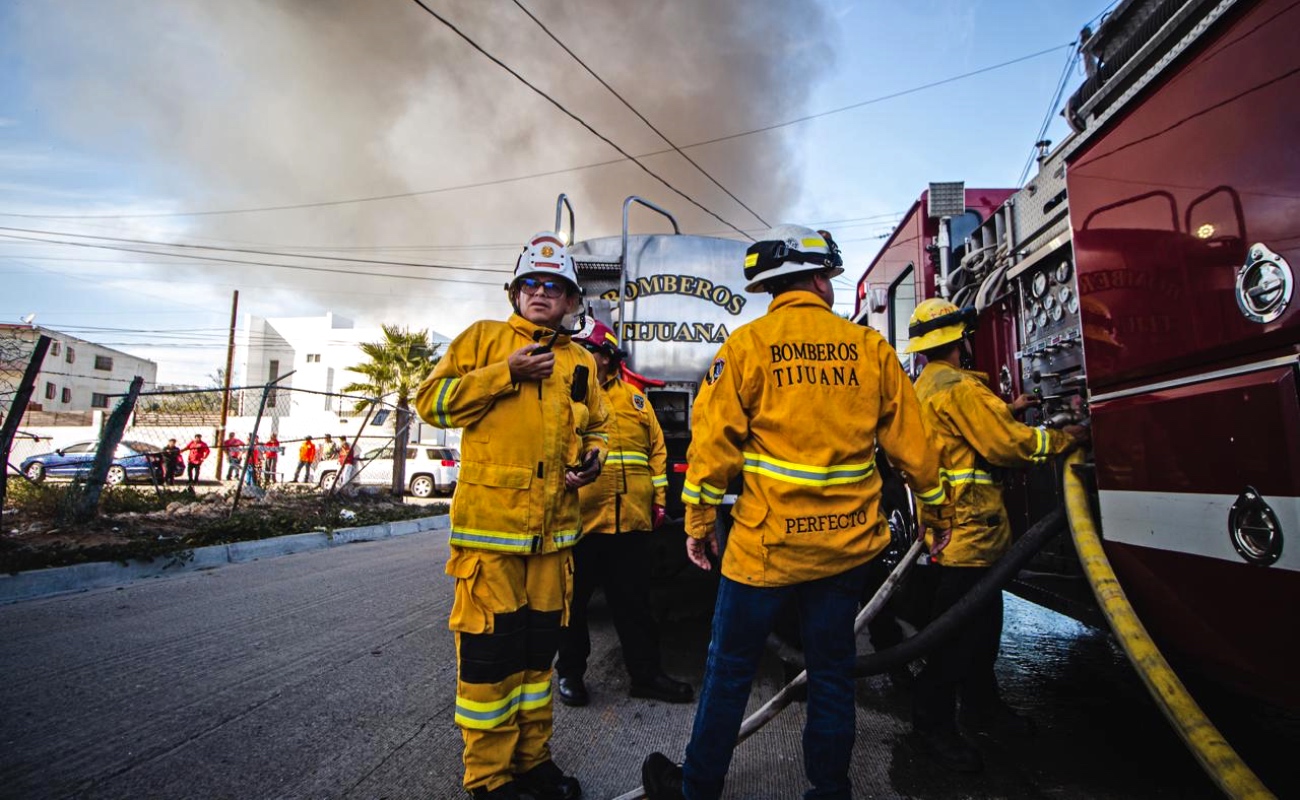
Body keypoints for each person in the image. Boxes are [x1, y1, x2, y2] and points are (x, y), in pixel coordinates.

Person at [642, 226, 948, 800]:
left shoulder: (746, 348)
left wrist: (699, 523)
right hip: (845, 552)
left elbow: (713, 448)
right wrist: (937, 510)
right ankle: (829, 790)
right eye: (829, 276)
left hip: (763, 551)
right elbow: (916, 448)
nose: (831, 285)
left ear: (770, 286)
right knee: (832, 674)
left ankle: (698, 786)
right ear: (816, 278)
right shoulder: (869, 349)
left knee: (729, 670)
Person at [414, 231, 609, 800]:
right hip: (491, 541)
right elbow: (431, 402)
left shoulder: (579, 362)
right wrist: (505, 373)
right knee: (490, 665)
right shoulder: (483, 340)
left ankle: (532, 762)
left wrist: (590, 459)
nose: (541, 293)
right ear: (514, 293)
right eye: (531, 284)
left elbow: (594, 424)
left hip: (552, 544)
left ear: (572, 301)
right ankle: (490, 778)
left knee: (534, 664)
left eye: (554, 286)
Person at [902, 297, 1088, 774]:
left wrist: (1007, 408)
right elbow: (1006, 446)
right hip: (970, 530)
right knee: (956, 637)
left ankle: (984, 708)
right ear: (961, 339)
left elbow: (961, 437)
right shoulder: (962, 388)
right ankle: (934, 726)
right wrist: (1068, 436)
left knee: (980, 630)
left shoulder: (925, 387)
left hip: (949, 528)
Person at [554, 320, 692, 709]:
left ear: (609, 358)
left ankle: (645, 677)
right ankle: (570, 675)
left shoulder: (635, 400)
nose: (585, 358)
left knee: (635, 607)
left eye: (592, 352)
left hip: (631, 522)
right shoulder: (566, 396)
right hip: (581, 522)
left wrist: (659, 497)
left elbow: (657, 451)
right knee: (573, 606)